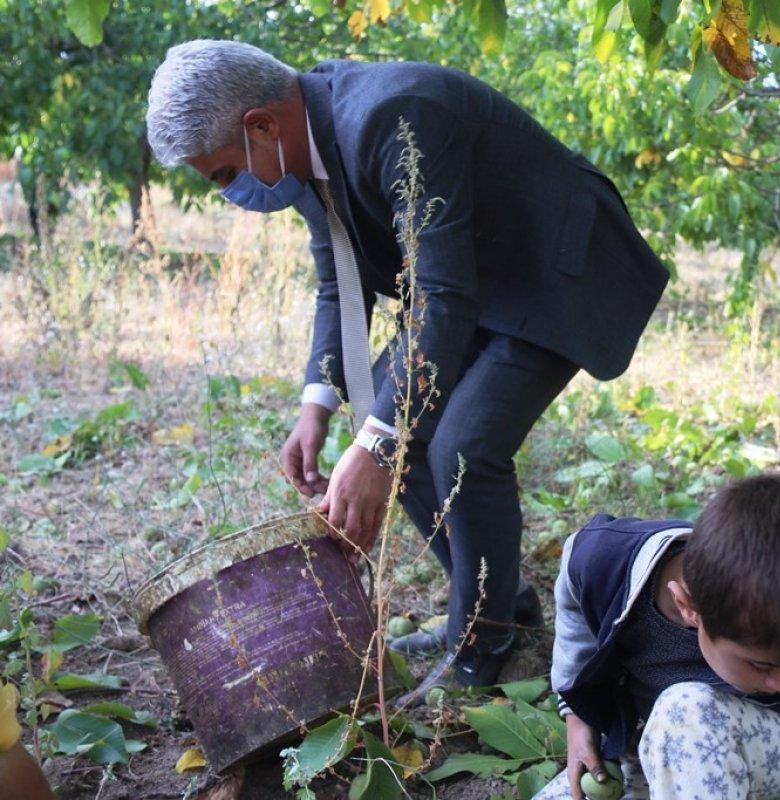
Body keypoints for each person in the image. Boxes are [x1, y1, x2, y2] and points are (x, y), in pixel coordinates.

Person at [145, 41, 668, 685]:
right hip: (475, 283)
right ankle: (499, 608)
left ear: (261, 125)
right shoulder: (302, 154)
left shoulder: (394, 117)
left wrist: (377, 443)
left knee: (462, 447)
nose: (230, 192)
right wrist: (319, 404)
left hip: (552, 271)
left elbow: (441, 296)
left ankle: (480, 646)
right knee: (397, 428)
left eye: (224, 173)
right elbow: (341, 282)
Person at [541, 473, 780, 800]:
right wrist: (578, 715)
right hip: (668, 751)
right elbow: (575, 590)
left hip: (776, 752)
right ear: (687, 606)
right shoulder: (607, 562)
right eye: (762, 665)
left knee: (686, 714)